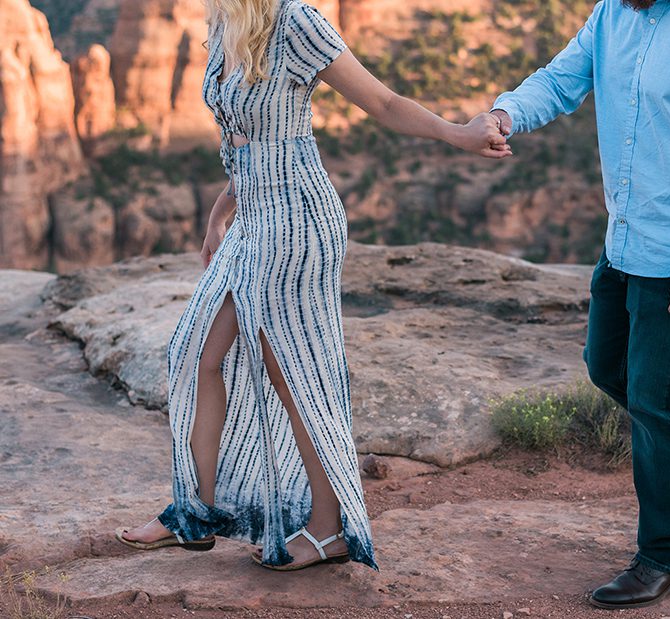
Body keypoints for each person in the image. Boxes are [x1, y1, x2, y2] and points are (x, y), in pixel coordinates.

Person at [115, 0, 508, 571]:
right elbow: (250, 139)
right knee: (194, 352)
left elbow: (383, 101)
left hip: (298, 221)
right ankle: (194, 513)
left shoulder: (295, 20)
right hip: (254, 215)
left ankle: (330, 531)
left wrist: (460, 134)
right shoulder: (228, 21)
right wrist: (220, 212)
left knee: (293, 373)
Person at [488, 0, 670, 608]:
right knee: (609, 367)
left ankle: (668, 555)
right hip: (625, 238)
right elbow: (562, 79)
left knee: (660, 398)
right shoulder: (611, 15)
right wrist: (506, 112)